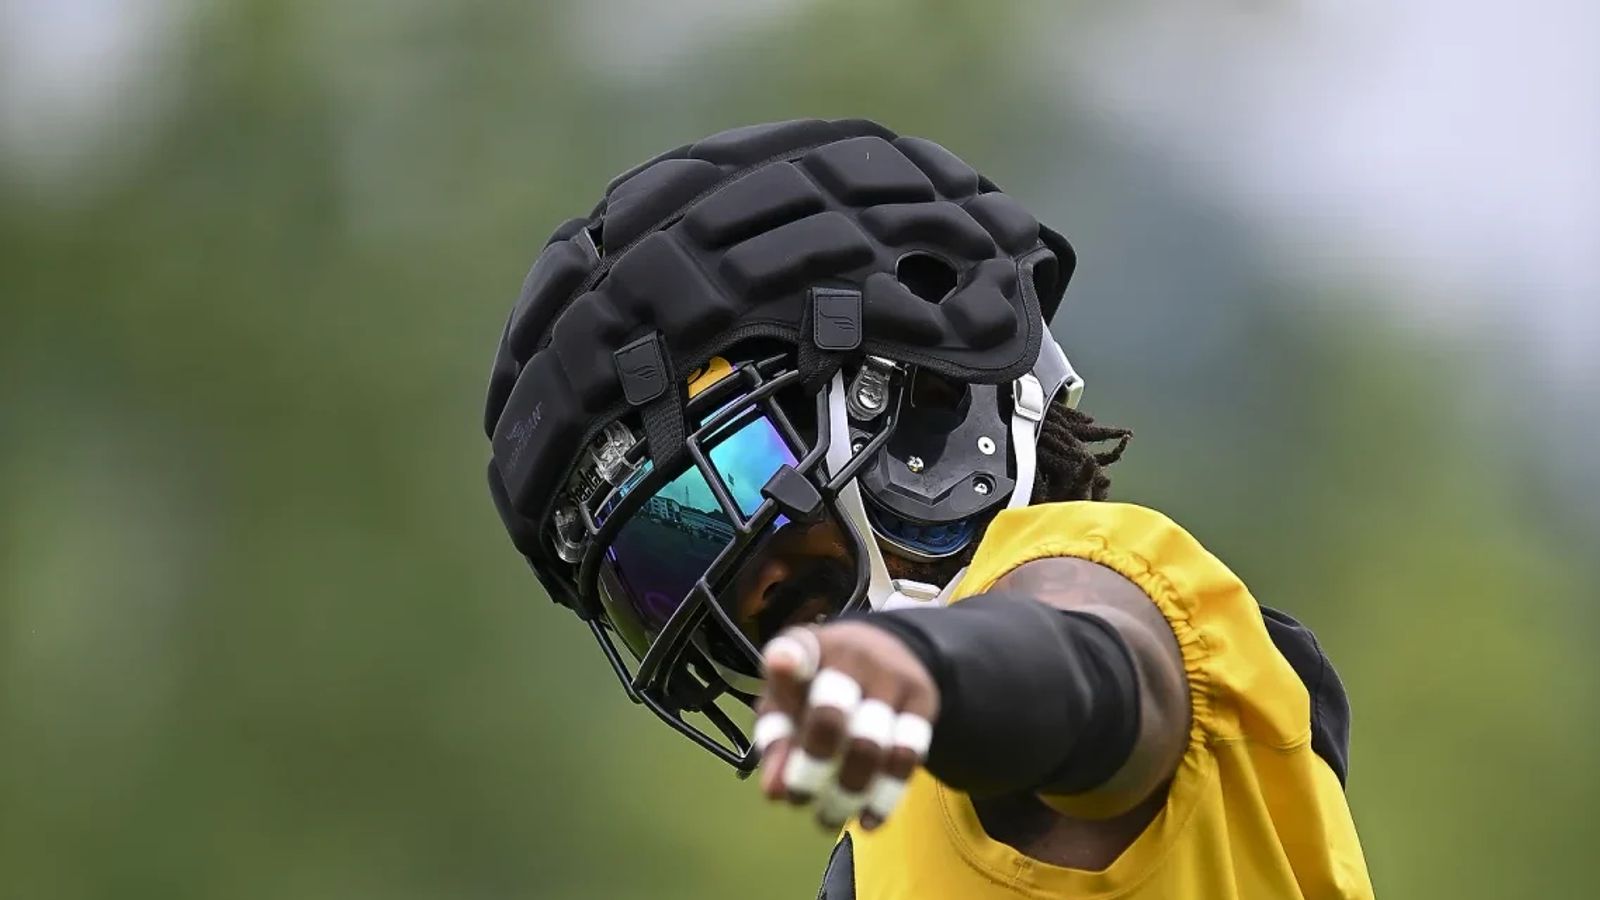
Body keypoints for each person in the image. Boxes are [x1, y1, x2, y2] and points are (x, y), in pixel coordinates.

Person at [482, 118, 1373, 899]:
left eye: (739, 481)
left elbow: (1091, 669)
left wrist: (932, 667)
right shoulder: (889, 839)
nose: (738, 597)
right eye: (659, 563)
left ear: (926, 402)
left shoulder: (1099, 584)